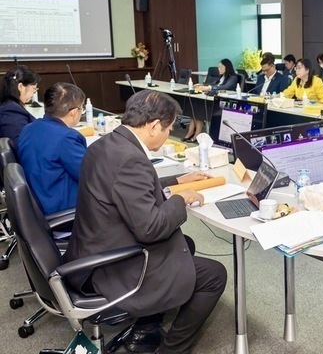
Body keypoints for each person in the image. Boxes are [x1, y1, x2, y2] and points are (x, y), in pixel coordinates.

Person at [65, 91, 227, 354]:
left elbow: (127, 187)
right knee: (214, 274)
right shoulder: (131, 159)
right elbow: (150, 229)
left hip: (91, 250)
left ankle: (145, 329)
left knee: (184, 244)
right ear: (154, 126)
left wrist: (176, 181)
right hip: (111, 267)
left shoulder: (107, 144)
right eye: (169, 129)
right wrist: (181, 199)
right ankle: (171, 350)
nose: (169, 134)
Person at [17, 82, 86, 216]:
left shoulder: (29, 128)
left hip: (39, 204)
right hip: (64, 210)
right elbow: (90, 175)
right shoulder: (67, 138)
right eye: (81, 108)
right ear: (73, 112)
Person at [185, 58, 239, 141]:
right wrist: (202, 85)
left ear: (226, 67)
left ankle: (196, 134)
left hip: (222, 103)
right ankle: (191, 133)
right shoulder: (221, 77)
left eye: (220, 67)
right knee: (196, 109)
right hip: (212, 98)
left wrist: (208, 88)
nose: (218, 69)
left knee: (199, 110)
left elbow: (225, 87)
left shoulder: (233, 78)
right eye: (218, 67)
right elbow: (212, 84)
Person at [0, 65, 41, 150]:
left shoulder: (10, 106)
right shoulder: (11, 111)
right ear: (20, 87)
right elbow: (21, 145)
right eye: (34, 89)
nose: (34, 93)